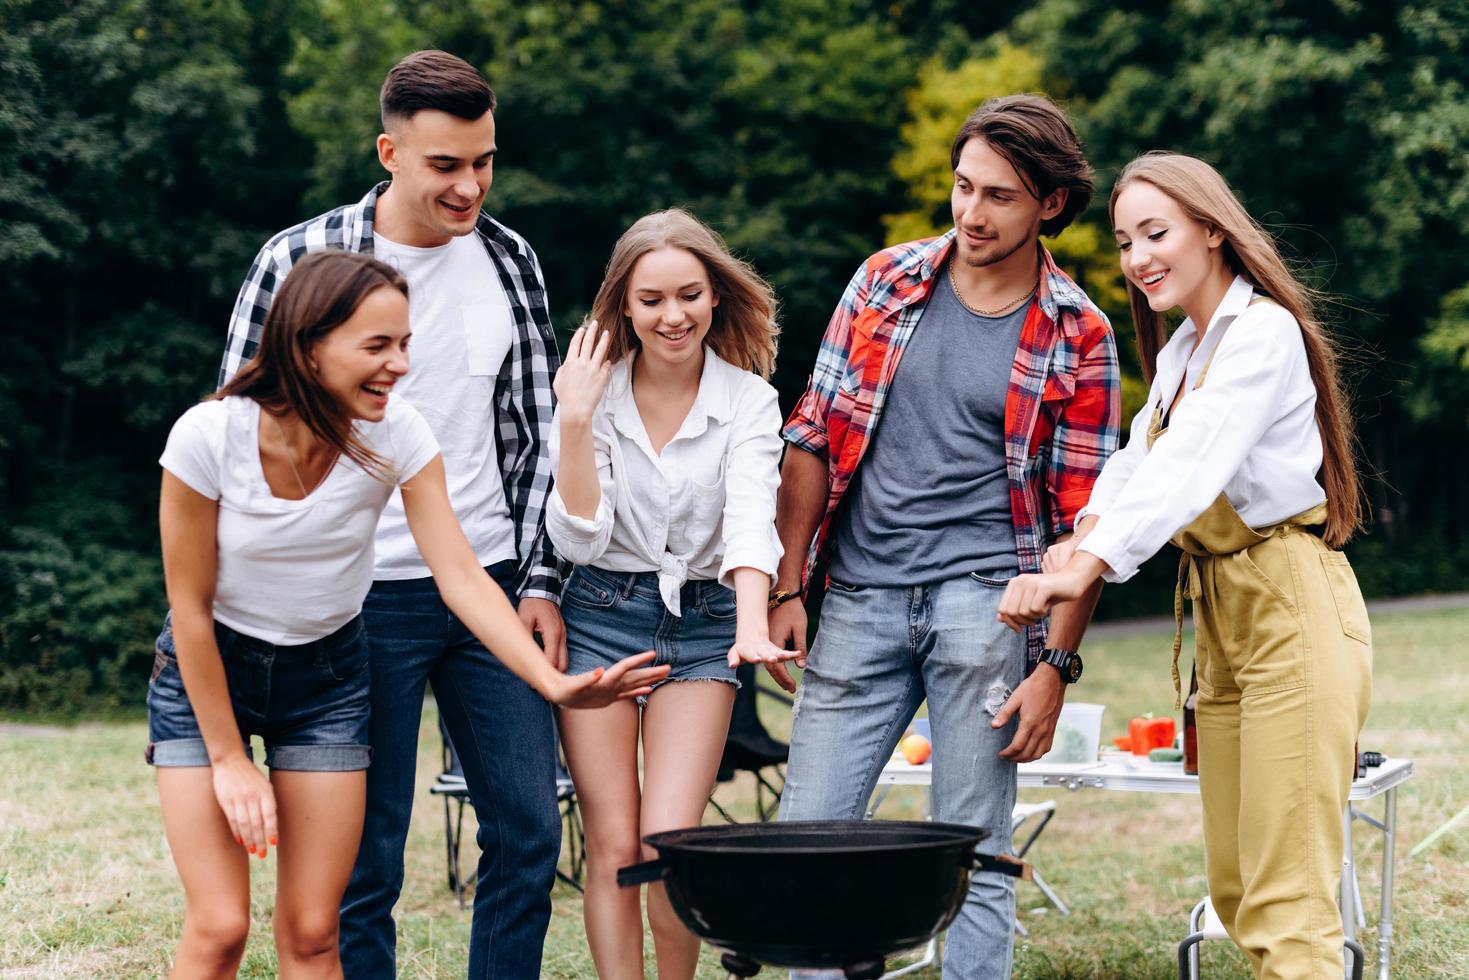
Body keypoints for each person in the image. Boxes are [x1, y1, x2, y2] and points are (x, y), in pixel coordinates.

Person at [150, 251, 665, 980]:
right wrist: (230, 761)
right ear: (307, 346)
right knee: (221, 925)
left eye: (404, 345)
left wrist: (549, 686)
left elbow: (458, 573)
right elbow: (190, 610)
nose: (398, 365)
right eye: (377, 346)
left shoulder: (396, 432)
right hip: (210, 673)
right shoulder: (209, 437)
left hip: (325, 681)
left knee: (312, 933)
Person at [221, 51, 571, 978]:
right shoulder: (299, 261)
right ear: (389, 151)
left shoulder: (510, 259)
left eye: (484, 161)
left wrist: (539, 581)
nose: (470, 186)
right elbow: (237, 434)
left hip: (487, 582)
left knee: (531, 833)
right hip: (351, 597)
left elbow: (535, 433)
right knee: (362, 861)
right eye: (444, 165)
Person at [768, 95, 1121, 979]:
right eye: (962, 187)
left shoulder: (1080, 333)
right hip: (857, 597)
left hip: (987, 611)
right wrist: (784, 586)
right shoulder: (884, 282)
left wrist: (1055, 668)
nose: (971, 212)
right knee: (807, 842)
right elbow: (810, 435)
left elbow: (1087, 526)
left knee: (977, 852)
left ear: (1049, 204)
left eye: (998, 196)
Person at [998, 151, 1372, 979]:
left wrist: (1087, 560)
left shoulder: (1261, 333)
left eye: (1155, 233)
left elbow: (1192, 461)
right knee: (1238, 892)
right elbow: (1136, 463)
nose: (1137, 258)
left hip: (1290, 609)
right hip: (1223, 623)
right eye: (1125, 241)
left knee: (1287, 903)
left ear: (1211, 228)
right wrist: (1077, 539)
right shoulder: (1181, 355)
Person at [545, 209, 797, 979]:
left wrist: (751, 624)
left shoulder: (749, 400)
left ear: (714, 296)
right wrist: (575, 416)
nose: (672, 315)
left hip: (706, 624)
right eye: (650, 299)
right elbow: (578, 540)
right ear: (622, 305)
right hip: (598, 616)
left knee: (668, 846)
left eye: (688, 294)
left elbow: (754, 520)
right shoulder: (594, 396)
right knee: (614, 844)